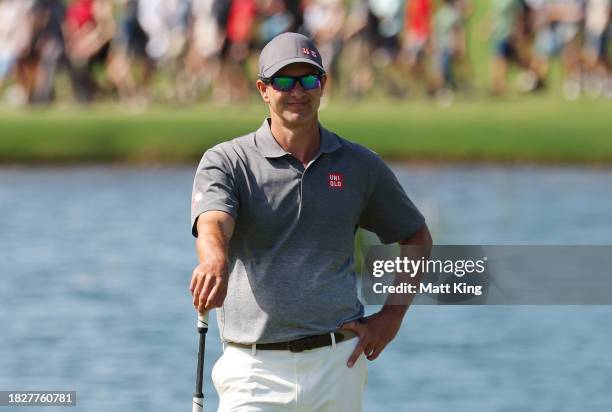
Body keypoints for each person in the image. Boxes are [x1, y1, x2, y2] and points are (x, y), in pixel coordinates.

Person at [189, 32, 432, 411]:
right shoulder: (228, 161)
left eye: (309, 80)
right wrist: (214, 261)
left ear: (323, 86)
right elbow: (213, 223)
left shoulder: (358, 164)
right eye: (284, 81)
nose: (297, 91)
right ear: (263, 90)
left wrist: (392, 315)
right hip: (254, 369)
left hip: (337, 363)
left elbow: (415, 236)